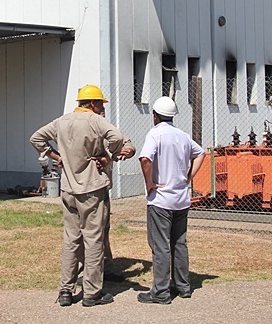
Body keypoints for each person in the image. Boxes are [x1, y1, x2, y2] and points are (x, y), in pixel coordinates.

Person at [30, 84, 127, 307]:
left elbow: (36, 138)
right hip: (91, 188)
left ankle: (65, 290)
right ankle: (92, 293)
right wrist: (106, 155)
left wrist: (56, 156)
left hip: (68, 189)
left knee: (71, 239)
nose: (102, 106)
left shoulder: (61, 121)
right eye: (101, 103)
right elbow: (117, 137)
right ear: (92, 103)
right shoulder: (95, 120)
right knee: (93, 239)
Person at [137, 96, 205, 304]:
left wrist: (149, 183)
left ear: (155, 115)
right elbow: (201, 153)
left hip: (161, 200)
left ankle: (160, 291)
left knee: (160, 245)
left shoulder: (155, 134)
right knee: (179, 243)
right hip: (181, 199)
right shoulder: (182, 135)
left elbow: (146, 158)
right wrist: (188, 177)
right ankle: (183, 286)